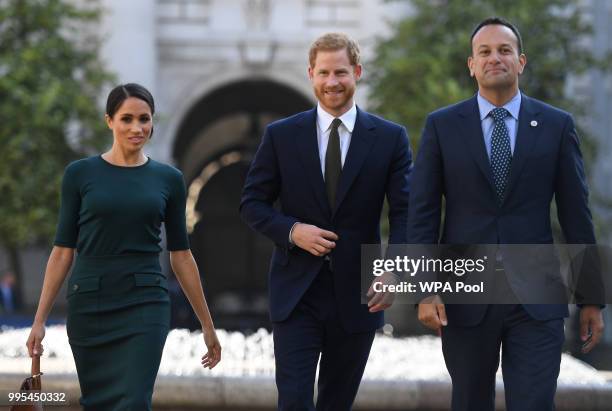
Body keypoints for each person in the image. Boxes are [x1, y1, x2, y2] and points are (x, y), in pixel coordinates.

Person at [409, 17, 605, 411]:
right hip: (465, 295)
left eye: (504, 50)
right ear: (471, 64)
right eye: (484, 51)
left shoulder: (556, 125)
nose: (494, 58)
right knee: (469, 402)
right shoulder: (442, 126)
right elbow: (423, 213)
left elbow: (575, 215)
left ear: (521, 61)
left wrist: (591, 299)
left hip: (536, 298)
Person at [240, 32, 412, 410]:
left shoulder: (389, 138)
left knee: (337, 402)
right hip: (296, 292)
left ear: (357, 72)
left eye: (340, 72)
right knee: (294, 400)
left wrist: (395, 269)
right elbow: (252, 204)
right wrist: (291, 230)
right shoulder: (281, 136)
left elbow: (406, 212)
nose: (332, 82)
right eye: (323, 73)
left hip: (360, 294)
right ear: (311, 75)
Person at [26, 83, 221, 410]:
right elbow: (62, 250)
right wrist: (39, 320)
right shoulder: (79, 174)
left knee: (134, 400)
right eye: (126, 118)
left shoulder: (168, 179)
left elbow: (181, 255)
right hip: (90, 302)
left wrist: (207, 325)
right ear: (109, 121)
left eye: (144, 119)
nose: (136, 127)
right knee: (98, 403)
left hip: (145, 302)